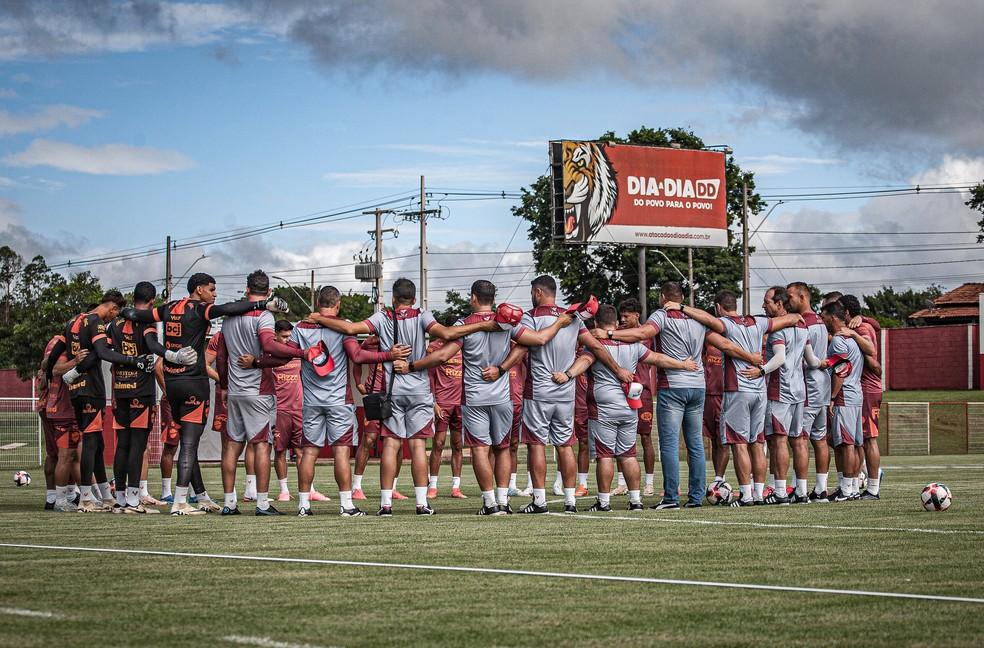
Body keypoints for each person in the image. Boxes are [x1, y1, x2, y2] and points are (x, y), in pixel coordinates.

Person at [306, 277, 498, 516]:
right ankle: (421, 504)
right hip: (419, 389)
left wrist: (318, 318)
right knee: (418, 446)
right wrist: (481, 326)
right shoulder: (423, 315)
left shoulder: (383, 316)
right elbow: (447, 333)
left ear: (394, 298)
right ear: (414, 299)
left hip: (392, 389)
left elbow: (350, 329)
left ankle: (385, 505)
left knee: (390, 445)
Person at [121, 272, 286, 515]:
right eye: (211, 289)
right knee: (191, 444)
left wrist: (121, 313)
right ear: (199, 290)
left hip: (172, 380)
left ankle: (207, 497)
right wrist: (263, 305)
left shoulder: (170, 308)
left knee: (198, 442)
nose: (214, 294)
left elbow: (137, 314)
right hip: (197, 381)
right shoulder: (201, 309)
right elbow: (229, 308)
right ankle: (180, 502)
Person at [596, 282, 762, 509]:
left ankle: (671, 498)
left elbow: (644, 333)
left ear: (663, 297)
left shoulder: (662, 315)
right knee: (695, 444)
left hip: (673, 385)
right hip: (698, 386)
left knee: (670, 445)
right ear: (682, 297)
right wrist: (750, 358)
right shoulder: (698, 319)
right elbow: (724, 344)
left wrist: (609, 333)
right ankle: (695, 498)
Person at [408, 281, 567, 515]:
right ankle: (503, 501)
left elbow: (442, 356)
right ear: (493, 298)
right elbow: (536, 341)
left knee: (480, 450)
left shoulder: (464, 324)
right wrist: (561, 322)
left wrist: (412, 366)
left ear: (473, 298)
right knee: (502, 449)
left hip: (474, 399)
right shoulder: (507, 322)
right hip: (503, 397)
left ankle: (489, 503)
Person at [489, 275, 631, 514]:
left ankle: (540, 501)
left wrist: (501, 369)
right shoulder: (572, 318)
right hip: (566, 393)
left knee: (537, 446)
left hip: (538, 393)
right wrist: (618, 370)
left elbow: (522, 346)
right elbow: (596, 347)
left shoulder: (531, 317)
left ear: (537, 293)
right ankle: (570, 501)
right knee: (565, 446)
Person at [558, 304, 697, 512]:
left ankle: (604, 502)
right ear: (615, 323)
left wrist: (568, 374)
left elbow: (585, 362)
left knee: (605, 455)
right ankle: (635, 501)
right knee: (629, 454)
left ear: (596, 324)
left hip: (603, 406)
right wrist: (682, 364)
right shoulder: (632, 345)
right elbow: (657, 358)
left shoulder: (596, 344)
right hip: (629, 405)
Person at [677, 290, 802, 507]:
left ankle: (745, 495)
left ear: (718, 308)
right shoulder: (757, 322)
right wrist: (796, 317)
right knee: (757, 442)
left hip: (738, 389)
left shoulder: (725, 323)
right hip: (759, 390)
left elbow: (716, 333)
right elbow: (790, 318)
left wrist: (682, 308)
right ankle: (759, 493)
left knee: (739, 444)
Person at [48, 291, 157, 512]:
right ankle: (86, 498)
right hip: (91, 389)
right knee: (90, 443)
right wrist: (133, 360)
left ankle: (106, 496)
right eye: (114, 314)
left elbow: (57, 350)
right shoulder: (96, 321)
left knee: (96, 443)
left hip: (76, 389)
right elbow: (103, 352)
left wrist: (51, 370)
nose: (111, 320)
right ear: (113, 308)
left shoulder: (74, 320)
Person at [216, 270, 292, 516]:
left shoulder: (229, 317)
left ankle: (229, 503)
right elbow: (269, 347)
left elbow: (221, 355)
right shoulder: (264, 316)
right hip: (259, 390)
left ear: (247, 289)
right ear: (268, 292)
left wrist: (225, 386)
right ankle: (261, 503)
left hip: (236, 391)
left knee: (232, 446)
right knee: (261, 446)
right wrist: (294, 353)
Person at [107, 281, 172, 514]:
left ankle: (121, 499)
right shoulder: (146, 322)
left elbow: (110, 357)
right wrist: (170, 354)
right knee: (137, 445)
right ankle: (134, 500)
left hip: (120, 390)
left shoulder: (114, 324)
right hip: (141, 392)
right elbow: (153, 348)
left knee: (122, 445)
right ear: (152, 301)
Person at [760, 286, 812, 505]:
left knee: (779, 441)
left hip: (781, 390)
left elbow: (779, 358)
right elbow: (812, 360)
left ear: (779, 304)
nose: (764, 306)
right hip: (800, 390)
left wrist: (760, 370)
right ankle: (801, 491)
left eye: (767, 302)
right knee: (799, 441)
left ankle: (780, 492)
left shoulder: (778, 330)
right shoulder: (803, 327)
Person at [786, 282, 832, 500]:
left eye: (791, 297)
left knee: (800, 439)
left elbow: (808, 359)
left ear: (803, 297)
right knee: (820, 439)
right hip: (822, 387)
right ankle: (821, 489)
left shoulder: (804, 325)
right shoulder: (821, 323)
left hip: (808, 387)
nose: (788, 301)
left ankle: (801, 490)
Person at [821, 300, 866, 502]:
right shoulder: (852, 339)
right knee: (852, 444)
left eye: (823, 317)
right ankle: (852, 487)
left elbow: (841, 371)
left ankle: (847, 490)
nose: (822, 321)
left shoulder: (839, 341)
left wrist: (831, 397)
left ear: (832, 317)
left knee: (846, 444)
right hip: (856, 394)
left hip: (844, 396)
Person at [840, 294, 884, 499]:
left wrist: (857, 330)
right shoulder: (863, 324)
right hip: (862, 389)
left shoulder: (861, 329)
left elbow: (873, 360)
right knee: (858, 440)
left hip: (867, 389)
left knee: (868, 439)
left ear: (847, 312)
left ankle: (873, 487)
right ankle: (859, 482)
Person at [617, 298, 657, 496]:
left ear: (636, 316)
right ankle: (622, 482)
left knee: (646, 437)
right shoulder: (616, 333)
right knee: (621, 436)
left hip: (643, 390)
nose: (622, 319)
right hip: (622, 390)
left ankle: (649, 482)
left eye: (626, 316)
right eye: (620, 316)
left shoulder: (649, 334)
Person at [39, 335, 80, 512]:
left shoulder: (53, 342)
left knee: (55, 454)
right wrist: (76, 361)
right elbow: (52, 369)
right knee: (68, 454)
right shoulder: (64, 343)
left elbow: (43, 369)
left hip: (47, 404)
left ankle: (54, 497)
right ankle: (70, 497)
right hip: (59, 406)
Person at [426, 338, 466, 499]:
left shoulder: (466, 346)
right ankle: (433, 486)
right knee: (438, 443)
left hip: (461, 403)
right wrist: (433, 402)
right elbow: (429, 376)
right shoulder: (435, 347)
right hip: (442, 402)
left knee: (457, 445)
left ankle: (456, 487)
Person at [270, 319, 303, 502]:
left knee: (301, 451)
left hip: (299, 408)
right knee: (280, 451)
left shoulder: (295, 351)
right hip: (279, 409)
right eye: (283, 336)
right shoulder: (268, 353)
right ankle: (283, 491)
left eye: (289, 336)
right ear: (274, 334)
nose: (287, 340)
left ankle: (307, 490)